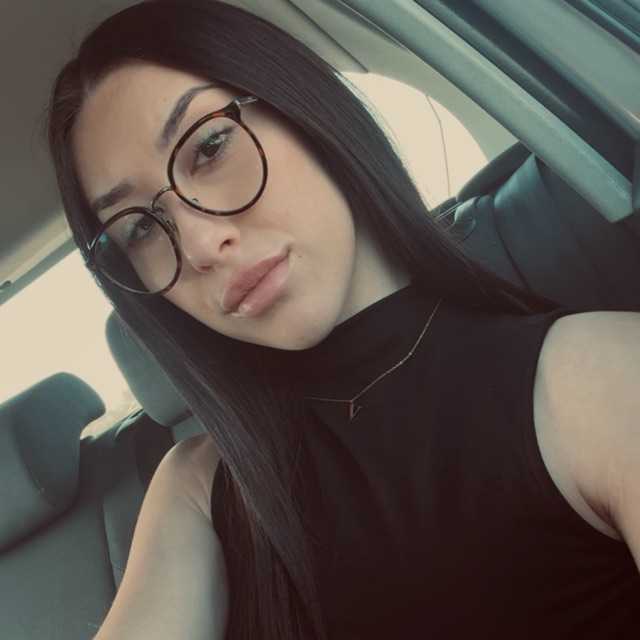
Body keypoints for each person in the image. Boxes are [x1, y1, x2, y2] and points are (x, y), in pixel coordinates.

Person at [47, 1, 640, 638]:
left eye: (210, 147)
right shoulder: (199, 487)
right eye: (139, 229)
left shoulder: (592, 377)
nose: (197, 246)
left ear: (300, 104)